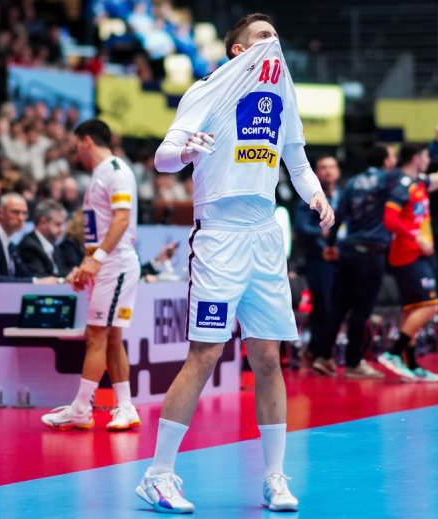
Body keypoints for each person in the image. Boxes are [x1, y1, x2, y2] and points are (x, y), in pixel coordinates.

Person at [139, 14, 334, 513]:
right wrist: (185, 150)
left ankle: (274, 478)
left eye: (276, 36)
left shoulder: (283, 93)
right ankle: (158, 475)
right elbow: (162, 157)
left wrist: (315, 195)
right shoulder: (207, 90)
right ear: (238, 51)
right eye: (264, 37)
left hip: (265, 238)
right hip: (220, 237)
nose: (274, 43)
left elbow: (297, 160)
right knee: (205, 355)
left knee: (268, 358)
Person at [41, 119, 143, 434]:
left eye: (76, 146)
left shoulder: (115, 171)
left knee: (95, 334)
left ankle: (81, 409)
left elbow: (121, 219)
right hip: (106, 263)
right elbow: (96, 230)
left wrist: (96, 261)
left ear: (87, 141)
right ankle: (125, 407)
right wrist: (86, 264)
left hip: (115, 264)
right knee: (111, 337)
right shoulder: (101, 174)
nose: (76, 153)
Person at [379, 134, 438, 382]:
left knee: (412, 310)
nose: (429, 160)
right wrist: (416, 237)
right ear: (415, 159)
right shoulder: (402, 185)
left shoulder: (418, 182)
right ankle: (393, 352)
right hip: (408, 253)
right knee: (431, 306)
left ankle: (411, 364)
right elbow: (389, 219)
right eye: (426, 156)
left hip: (415, 254)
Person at [314, 143, 400, 379]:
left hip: (348, 252)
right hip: (371, 254)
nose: (394, 160)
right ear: (386, 161)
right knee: (361, 311)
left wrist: (331, 246)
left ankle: (322, 357)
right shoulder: (389, 180)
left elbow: (339, 215)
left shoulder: (353, 182)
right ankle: (354, 363)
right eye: (393, 156)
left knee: (338, 307)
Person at [294, 156, 340, 376]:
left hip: (341, 259)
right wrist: (320, 233)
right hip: (318, 260)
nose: (328, 171)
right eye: (323, 167)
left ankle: (320, 351)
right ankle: (319, 353)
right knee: (323, 306)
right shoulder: (309, 198)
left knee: (337, 307)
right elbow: (300, 227)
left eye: (332, 167)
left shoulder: (342, 195)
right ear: (316, 173)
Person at [0, 192, 58, 284]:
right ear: (1, 213)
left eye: (24, 213)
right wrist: (36, 282)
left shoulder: (11, 246)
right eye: (16, 212)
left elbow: (25, 274)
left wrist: (59, 279)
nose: (21, 218)